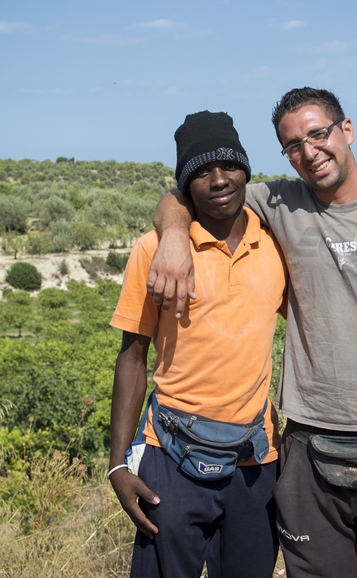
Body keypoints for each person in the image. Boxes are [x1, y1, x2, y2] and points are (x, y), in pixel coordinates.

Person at [148, 88, 357, 578]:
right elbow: (187, 191)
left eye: (318, 133)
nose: (309, 151)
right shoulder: (279, 201)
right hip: (307, 445)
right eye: (293, 144)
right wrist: (173, 235)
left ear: (347, 129)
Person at [108, 110, 288, 578]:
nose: (219, 179)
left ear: (246, 168)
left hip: (255, 459)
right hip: (171, 456)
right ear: (184, 185)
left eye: (228, 164)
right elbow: (132, 357)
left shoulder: (275, 242)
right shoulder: (155, 250)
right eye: (201, 171)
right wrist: (117, 465)